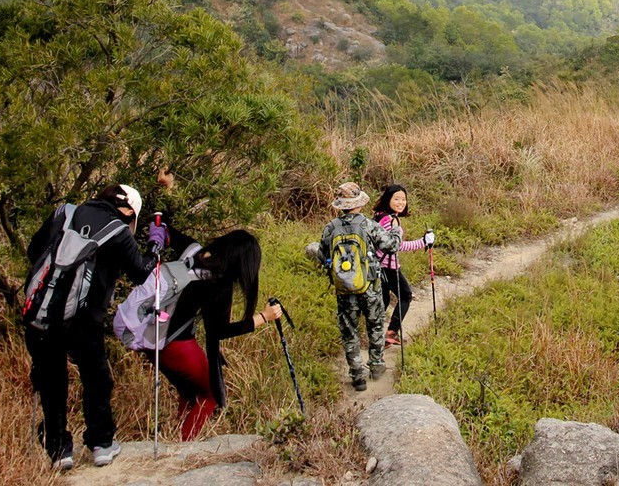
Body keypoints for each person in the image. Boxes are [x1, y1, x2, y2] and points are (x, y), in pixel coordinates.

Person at [23, 183, 158, 471]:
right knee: (96, 379)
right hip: (84, 321)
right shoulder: (119, 231)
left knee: (51, 382)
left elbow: (34, 251)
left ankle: (59, 450)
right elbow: (141, 273)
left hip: (41, 313)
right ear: (129, 212)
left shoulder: (65, 212)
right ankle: (102, 444)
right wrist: (156, 245)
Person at [129, 227, 283, 441]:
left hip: (149, 334)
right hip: (175, 344)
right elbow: (220, 330)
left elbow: (167, 230)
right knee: (209, 395)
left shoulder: (193, 250)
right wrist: (263, 317)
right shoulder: (217, 283)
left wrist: (157, 231)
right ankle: (184, 445)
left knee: (190, 391)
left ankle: (175, 437)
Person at [316, 182, 399, 390]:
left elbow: (322, 255)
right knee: (375, 325)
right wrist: (397, 231)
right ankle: (377, 366)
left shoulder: (331, 227)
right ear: (358, 204)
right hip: (369, 285)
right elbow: (391, 246)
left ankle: (357, 375)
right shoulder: (367, 224)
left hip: (344, 289)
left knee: (349, 331)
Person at [372, 184, 434, 348]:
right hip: (389, 267)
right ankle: (391, 333)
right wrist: (423, 242)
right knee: (406, 296)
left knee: (384, 301)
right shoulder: (390, 220)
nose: (401, 202)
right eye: (396, 198)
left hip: (377, 267)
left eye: (403, 199)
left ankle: (376, 337)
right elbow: (396, 246)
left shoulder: (378, 216)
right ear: (388, 199)